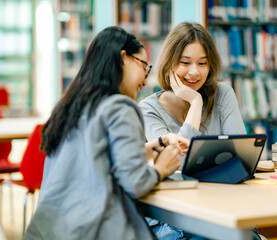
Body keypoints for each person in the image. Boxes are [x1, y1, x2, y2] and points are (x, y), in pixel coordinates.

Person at [23, 26, 189, 240]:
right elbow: (136, 182)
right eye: (144, 67)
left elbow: (101, 160)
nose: (145, 80)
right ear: (123, 58)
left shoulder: (70, 107)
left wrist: (159, 143)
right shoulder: (120, 107)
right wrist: (162, 168)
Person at [139, 22, 264, 240]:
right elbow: (177, 163)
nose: (195, 72)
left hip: (223, 211)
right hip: (176, 221)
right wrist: (195, 104)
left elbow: (241, 158)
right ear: (169, 64)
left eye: (202, 63)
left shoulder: (223, 94)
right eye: (185, 62)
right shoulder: (149, 110)